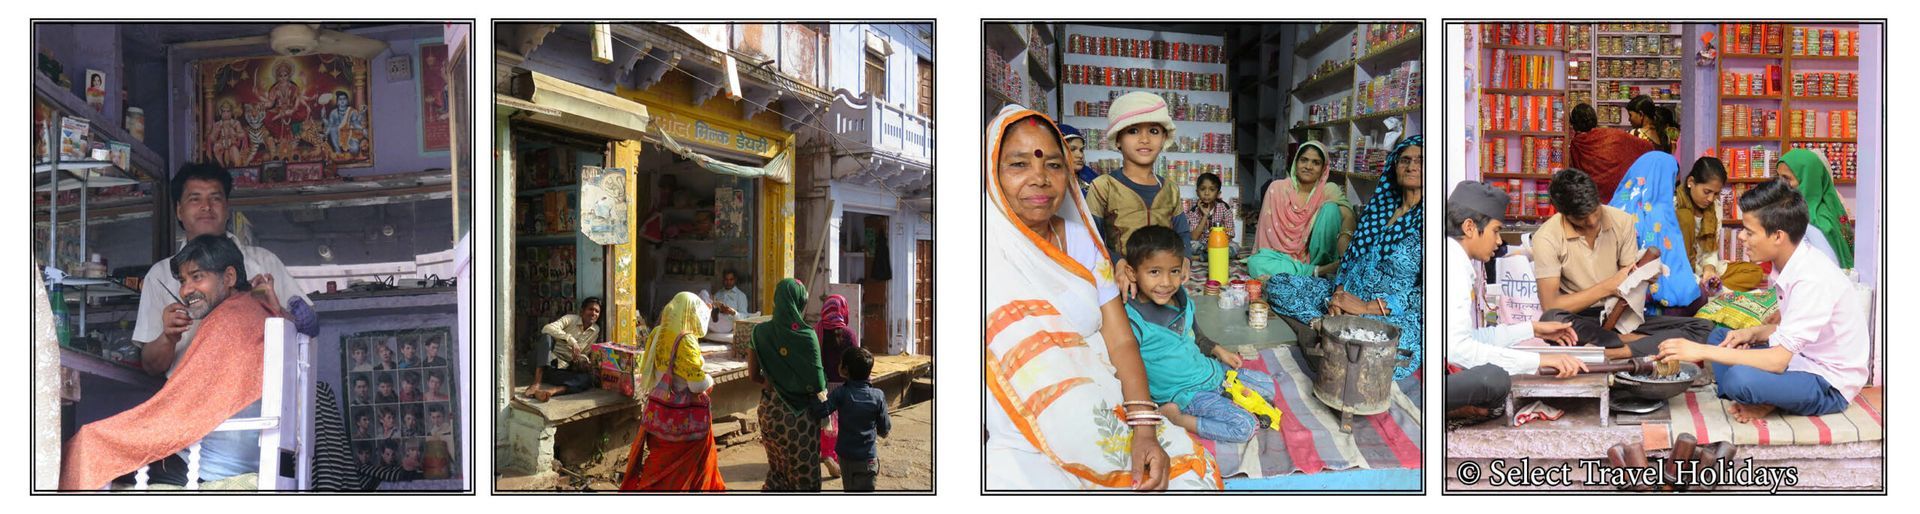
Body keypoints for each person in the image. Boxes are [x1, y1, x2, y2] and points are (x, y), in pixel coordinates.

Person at [984, 105, 1219, 491]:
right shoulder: (982, 249)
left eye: (1054, 165)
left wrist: (1145, 427)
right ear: (992, 172)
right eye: (1019, 165)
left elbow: (1121, 338)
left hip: (1105, 397)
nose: (1040, 179)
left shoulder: (1080, 240)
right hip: (1021, 420)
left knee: (1179, 480)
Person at [61, 235, 275, 490]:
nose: (185, 290)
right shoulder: (254, 308)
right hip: (242, 454)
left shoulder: (227, 322)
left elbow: (180, 407)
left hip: (212, 465)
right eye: (183, 281)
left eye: (197, 277)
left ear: (228, 277)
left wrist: (122, 434)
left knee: (88, 445)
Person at [1656, 180, 1868, 423]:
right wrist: (1754, 333)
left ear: (1778, 235)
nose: (1743, 238)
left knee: (1740, 379)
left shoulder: (1812, 278)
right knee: (1721, 338)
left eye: (1749, 231)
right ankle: (1764, 397)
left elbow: (1778, 360)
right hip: (1800, 359)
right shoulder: (1790, 264)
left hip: (1828, 382)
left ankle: (1761, 396)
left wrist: (1699, 351)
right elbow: (1800, 331)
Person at [1265, 135, 1426, 380]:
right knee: (1278, 284)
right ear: (1395, 166)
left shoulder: (1432, 221)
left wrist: (1365, 308)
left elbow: (1425, 292)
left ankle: (1332, 331)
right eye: (1405, 160)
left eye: (1421, 160)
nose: (1412, 166)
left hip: (1387, 311)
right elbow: (1350, 260)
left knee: (1393, 343)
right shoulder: (1380, 210)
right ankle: (1333, 323)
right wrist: (1339, 295)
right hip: (1349, 294)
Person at [134, 162, 315, 378]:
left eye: (215, 198)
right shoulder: (160, 276)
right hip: (192, 400)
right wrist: (168, 337)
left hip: (260, 394)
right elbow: (151, 365)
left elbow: (308, 330)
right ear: (179, 211)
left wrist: (278, 312)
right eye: (195, 199)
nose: (206, 206)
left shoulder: (263, 262)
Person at [1531, 169, 1712, 360]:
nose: (1592, 222)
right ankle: (1635, 342)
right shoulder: (1546, 237)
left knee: (1702, 327)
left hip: (1620, 316)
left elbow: (1628, 290)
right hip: (1580, 317)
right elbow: (1551, 305)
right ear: (1563, 214)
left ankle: (1617, 349)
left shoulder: (1622, 221)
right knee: (1552, 320)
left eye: (1595, 211)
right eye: (1581, 218)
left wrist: (1642, 277)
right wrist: (1608, 287)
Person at [1121, 226, 1279, 443]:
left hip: (1212, 372)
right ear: (1132, 273)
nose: (1166, 282)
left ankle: (1226, 398)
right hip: (1187, 395)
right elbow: (1126, 369)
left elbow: (1195, 333)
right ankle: (1177, 418)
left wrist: (1218, 350)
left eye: (1174, 271)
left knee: (1269, 386)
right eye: (1154, 272)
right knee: (1245, 427)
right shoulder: (1131, 321)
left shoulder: (1181, 297)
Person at [1443, 182, 1587, 417]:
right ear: (1470, 228)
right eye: (1496, 230)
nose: (1499, 241)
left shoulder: (1453, 259)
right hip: (1420, 380)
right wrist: (1538, 361)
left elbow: (1468, 338)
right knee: (1494, 379)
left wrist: (1533, 329)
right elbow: (1458, 351)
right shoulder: (1452, 266)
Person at [618, 292, 726, 491]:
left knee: (657, 470)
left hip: (658, 415)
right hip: (682, 421)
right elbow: (696, 385)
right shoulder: (685, 340)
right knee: (682, 477)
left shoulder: (656, 333)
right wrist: (709, 378)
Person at [1085, 91, 1187, 260]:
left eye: (1154, 131)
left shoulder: (1170, 189)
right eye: (1133, 131)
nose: (1145, 139)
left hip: (1163, 280)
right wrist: (1117, 263)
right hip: (1121, 281)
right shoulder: (1104, 187)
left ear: (1164, 138)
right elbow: (1089, 239)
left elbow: (1182, 233)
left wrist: (1186, 259)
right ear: (1118, 139)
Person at [748, 278, 827, 491]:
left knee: (778, 472)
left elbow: (753, 376)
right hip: (799, 416)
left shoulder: (758, 332)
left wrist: (773, 383)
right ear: (799, 302)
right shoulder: (807, 335)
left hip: (768, 411)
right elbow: (818, 383)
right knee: (804, 478)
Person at [1607, 152, 1704, 309]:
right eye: (1672, 184)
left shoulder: (1613, 206)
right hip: (1639, 298)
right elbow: (1672, 273)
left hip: (1606, 293)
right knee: (1697, 297)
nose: (1672, 190)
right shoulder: (1659, 214)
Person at [1253, 140, 1354, 278]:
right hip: (1279, 256)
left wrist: (1345, 236)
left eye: (1316, 163)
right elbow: (1267, 242)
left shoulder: (1328, 189)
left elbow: (1348, 216)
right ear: (1296, 162)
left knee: (1331, 209)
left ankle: (1318, 267)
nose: (1308, 166)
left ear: (1324, 168)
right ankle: (1316, 272)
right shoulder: (1277, 188)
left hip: (1312, 255)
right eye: (1304, 160)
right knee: (1256, 263)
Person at [1675, 157, 1765, 292]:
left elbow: (1711, 249)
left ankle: (1709, 289)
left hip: (1704, 267)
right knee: (1685, 217)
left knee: (1755, 272)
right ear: (1691, 182)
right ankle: (1706, 289)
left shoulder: (1715, 207)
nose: (1710, 199)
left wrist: (1709, 270)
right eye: (1707, 192)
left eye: (1716, 193)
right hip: (1682, 270)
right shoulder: (1674, 205)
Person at [810, 346, 891, 492]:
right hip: (868, 458)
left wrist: (812, 393)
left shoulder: (841, 393)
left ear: (845, 370)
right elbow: (885, 429)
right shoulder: (878, 395)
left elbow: (821, 411)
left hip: (846, 457)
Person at [1774, 149, 1853, 269]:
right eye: (1779, 177)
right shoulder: (1823, 208)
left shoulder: (1813, 220)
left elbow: (1829, 267)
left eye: (1787, 178)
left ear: (1807, 179)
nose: (1781, 184)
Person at [1567, 103, 1656, 204]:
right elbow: (1646, 147)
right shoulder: (1613, 135)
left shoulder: (1577, 143)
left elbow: (1575, 174)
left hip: (1592, 199)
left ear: (1573, 124)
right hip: (1620, 195)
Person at [815, 294, 860, 479]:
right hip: (844, 385)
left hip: (823, 386)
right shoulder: (848, 334)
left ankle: (827, 453)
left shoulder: (817, 330)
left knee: (827, 424)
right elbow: (856, 359)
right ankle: (836, 457)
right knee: (843, 424)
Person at [525, 297, 602, 401]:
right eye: (590, 309)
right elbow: (546, 328)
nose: (593, 313)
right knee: (546, 337)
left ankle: (551, 392)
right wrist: (571, 340)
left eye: (597, 311)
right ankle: (536, 383)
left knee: (588, 379)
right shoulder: (570, 319)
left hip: (559, 370)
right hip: (542, 363)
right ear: (582, 311)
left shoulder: (595, 330)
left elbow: (584, 353)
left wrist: (582, 362)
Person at [1183, 172, 1234, 256]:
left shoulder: (1225, 208)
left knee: (1234, 247)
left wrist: (1215, 244)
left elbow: (1230, 233)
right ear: (1197, 192)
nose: (1206, 193)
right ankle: (1208, 255)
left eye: (1212, 190)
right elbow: (1194, 237)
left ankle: (1204, 256)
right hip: (1202, 246)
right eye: (1202, 189)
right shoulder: (1193, 211)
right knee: (1188, 246)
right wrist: (1205, 216)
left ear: (1218, 194)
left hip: (1220, 244)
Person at [1058, 123, 1101, 190]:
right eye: (1072, 149)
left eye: (1081, 150)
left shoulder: (1092, 178)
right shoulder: (1047, 183)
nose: (1080, 155)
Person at [710, 269, 752, 335]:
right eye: (726, 279)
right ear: (723, 280)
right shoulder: (718, 294)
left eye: (731, 279)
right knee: (704, 294)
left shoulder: (741, 296)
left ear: (735, 280)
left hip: (730, 326)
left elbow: (745, 317)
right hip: (717, 324)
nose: (728, 282)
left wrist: (733, 313)